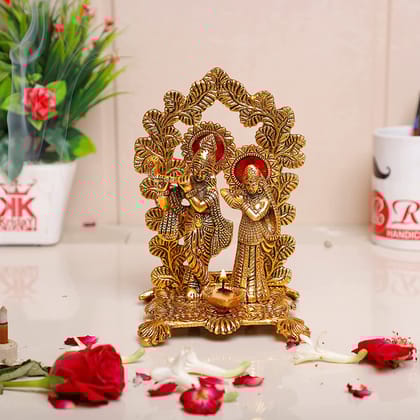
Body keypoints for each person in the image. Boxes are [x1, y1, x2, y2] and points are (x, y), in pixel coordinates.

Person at [179, 134, 233, 300]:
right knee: (189, 252)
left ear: (210, 172)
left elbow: (200, 206)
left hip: (207, 224)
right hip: (191, 221)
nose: (198, 174)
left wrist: (188, 190)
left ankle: (199, 284)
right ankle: (202, 283)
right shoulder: (190, 181)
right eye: (195, 169)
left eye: (203, 171)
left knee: (202, 256)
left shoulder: (211, 191)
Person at [221, 164, 280, 303]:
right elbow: (224, 192)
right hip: (244, 232)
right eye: (247, 185)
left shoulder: (264, 200)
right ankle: (238, 289)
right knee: (241, 260)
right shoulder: (244, 196)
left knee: (254, 261)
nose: (250, 188)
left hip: (256, 234)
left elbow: (255, 216)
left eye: (253, 184)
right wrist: (233, 195)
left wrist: (243, 204)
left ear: (260, 183)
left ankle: (254, 291)